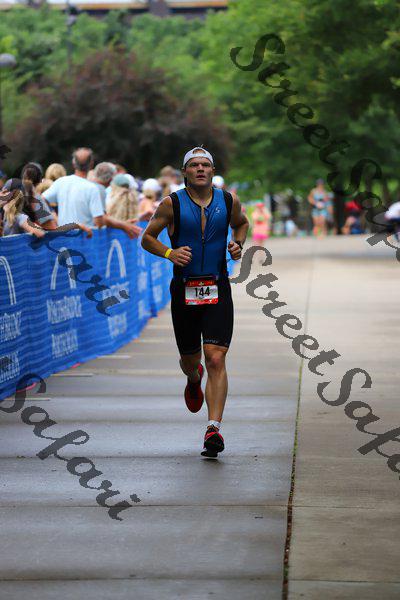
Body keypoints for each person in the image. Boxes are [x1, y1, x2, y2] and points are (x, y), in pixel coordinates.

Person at [141, 146, 249, 458]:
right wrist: (169, 253)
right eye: (194, 165)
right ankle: (192, 377)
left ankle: (213, 428)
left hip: (217, 288)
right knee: (191, 360)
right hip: (184, 289)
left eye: (205, 165)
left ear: (212, 170)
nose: (200, 169)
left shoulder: (228, 200)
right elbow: (147, 238)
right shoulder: (171, 203)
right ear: (185, 171)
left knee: (216, 357)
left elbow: (242, 223)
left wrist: (237, 244)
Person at [43, 148, 141, 239]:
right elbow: (99, 222)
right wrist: (122, 225)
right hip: (84, 241)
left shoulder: (61, 182)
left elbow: (40, 200)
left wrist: (51, 223)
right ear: (91, 164)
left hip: (63, 240)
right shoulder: (92, 188)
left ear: (73, 163)